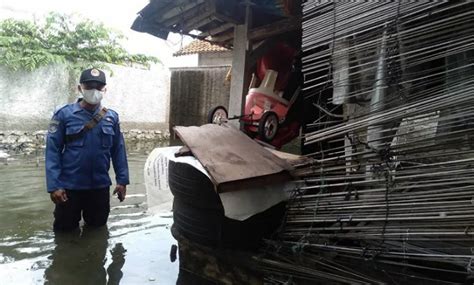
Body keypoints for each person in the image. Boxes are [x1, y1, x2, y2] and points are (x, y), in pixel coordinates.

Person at [45, 68, 129, 231]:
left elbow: (118, 150)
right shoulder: (64, 114)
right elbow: (52, 151)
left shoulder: (111, 117)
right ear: (80, 88)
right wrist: (54, 186)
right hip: (69, 188)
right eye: (89, 86)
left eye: (98, 87)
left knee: (97, 230)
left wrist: (122, 181)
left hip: (99, 187)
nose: (94, 90)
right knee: (65, 232)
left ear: (104, 90)